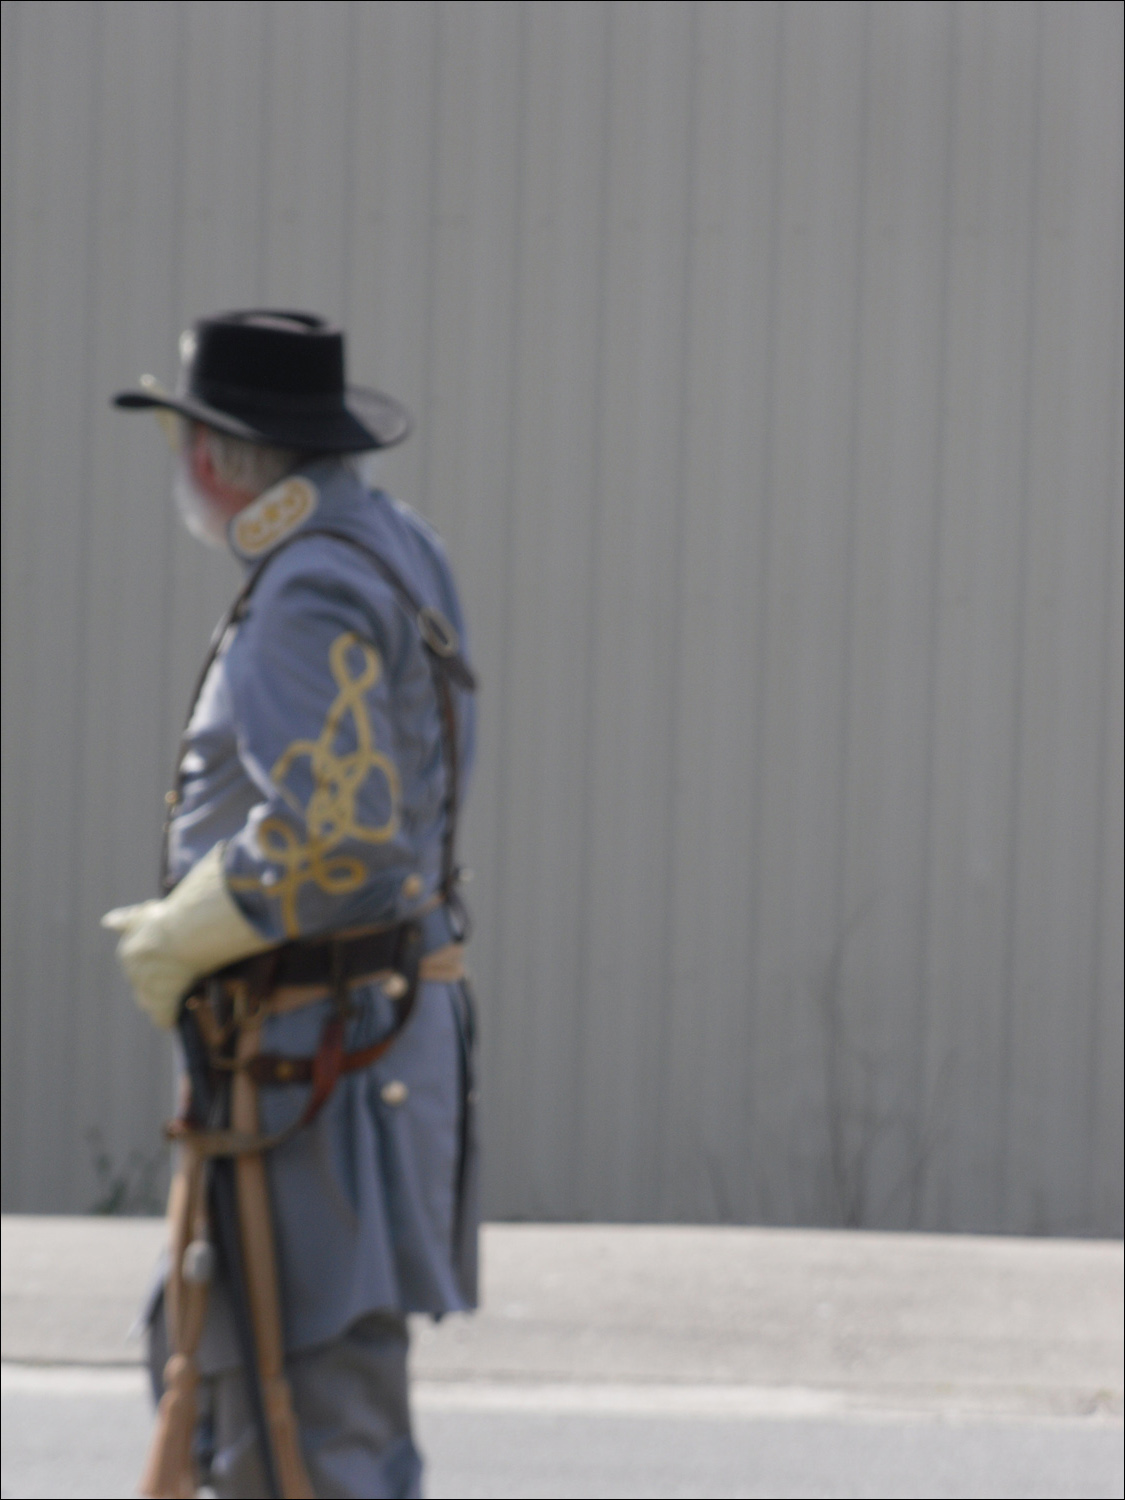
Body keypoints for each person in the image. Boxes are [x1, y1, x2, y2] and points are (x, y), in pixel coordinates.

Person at [103, 310, 478, 1499]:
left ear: (215, 458)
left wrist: (190, 928)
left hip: (315, 1064)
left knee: (307, 1433)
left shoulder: (310, 586)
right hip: (351, 1046)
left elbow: (348, 839)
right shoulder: (390, 540)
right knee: (244, 1386)